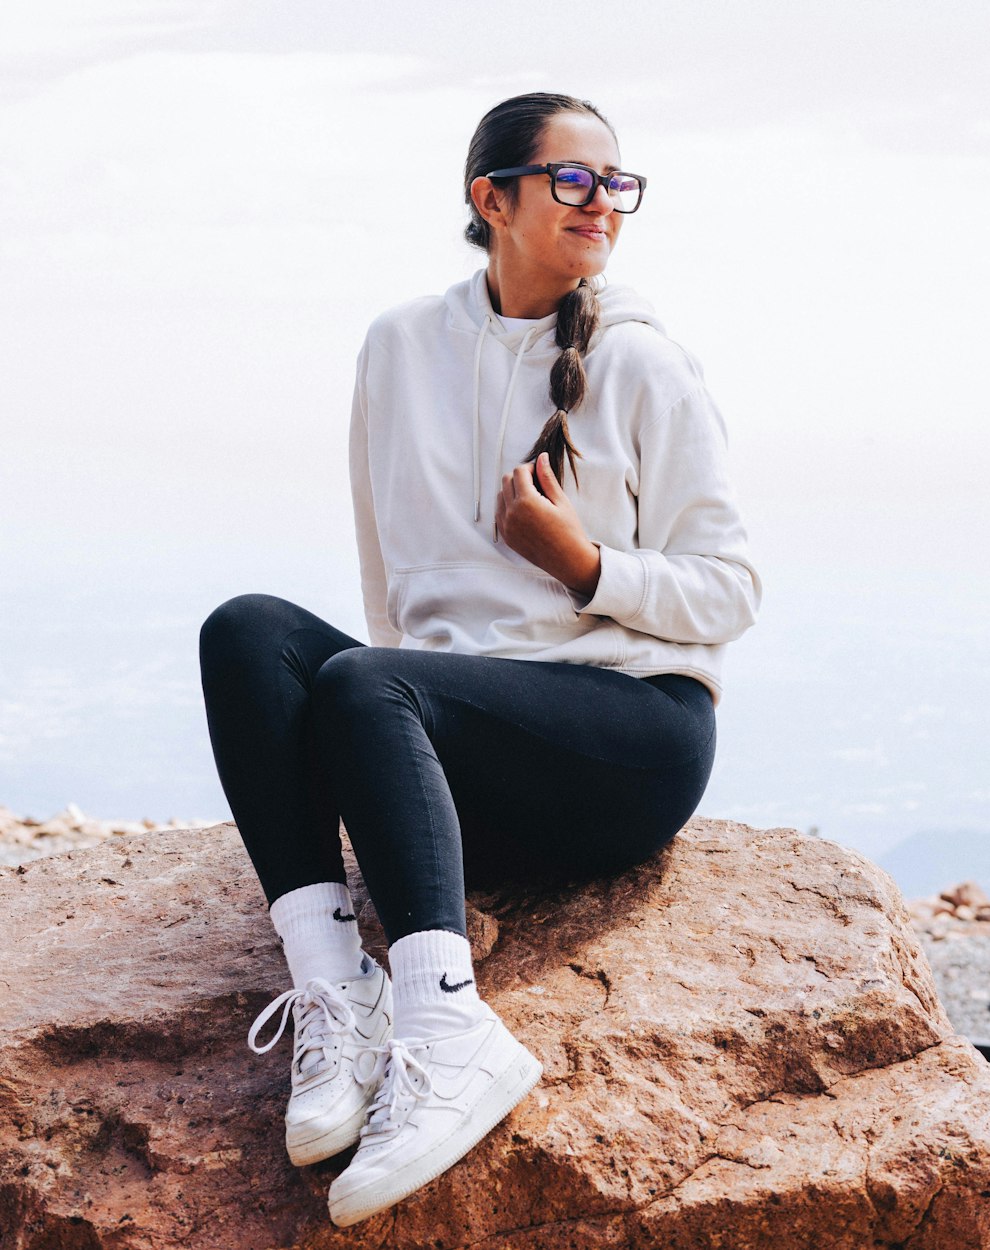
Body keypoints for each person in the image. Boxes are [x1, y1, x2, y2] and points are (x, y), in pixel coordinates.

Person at [199, 90, 761, 1229]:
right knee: (247, 630)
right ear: (489, 198)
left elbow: (731, 590)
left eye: (617, 184)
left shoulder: (647, 365)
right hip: (451, 747)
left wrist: (585, 562)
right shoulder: (399, 346)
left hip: (626, 737)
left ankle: (446, 1025)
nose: (602, 203)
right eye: (572, 180)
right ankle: (338, 990)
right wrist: (378, 763)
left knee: (370, 679)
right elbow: (384, 584)